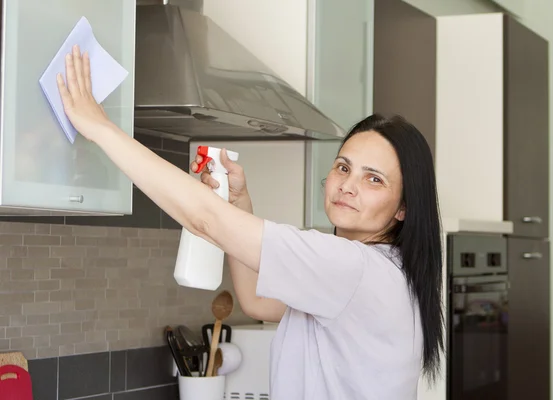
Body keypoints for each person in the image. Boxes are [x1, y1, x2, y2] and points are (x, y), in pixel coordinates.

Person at [57, 45, 444, 400]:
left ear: (403, 208)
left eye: (374, 179)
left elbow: (204, 219)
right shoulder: (383, 270)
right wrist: (238, 203)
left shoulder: (351, 266)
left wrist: (100, 127)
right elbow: (258, 301)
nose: (348, 185)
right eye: (344, 167)